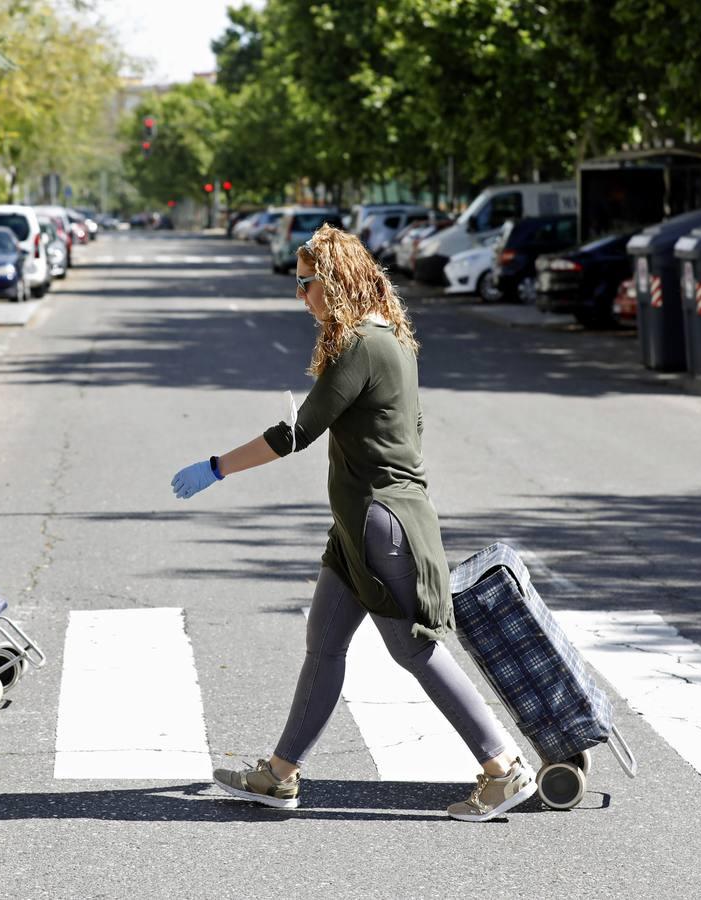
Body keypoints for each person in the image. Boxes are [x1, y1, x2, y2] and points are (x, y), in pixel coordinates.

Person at [170, 225, 536, 822]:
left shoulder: (362, 345)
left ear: (336, 281)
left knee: (413, 649)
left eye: (307, 284)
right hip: (359, 526)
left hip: (379, 524)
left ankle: (504, 769)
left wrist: (216, 467)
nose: (301, 296)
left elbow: (297, 434)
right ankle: (281, 775)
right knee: (324, 645)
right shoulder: (387, 338)